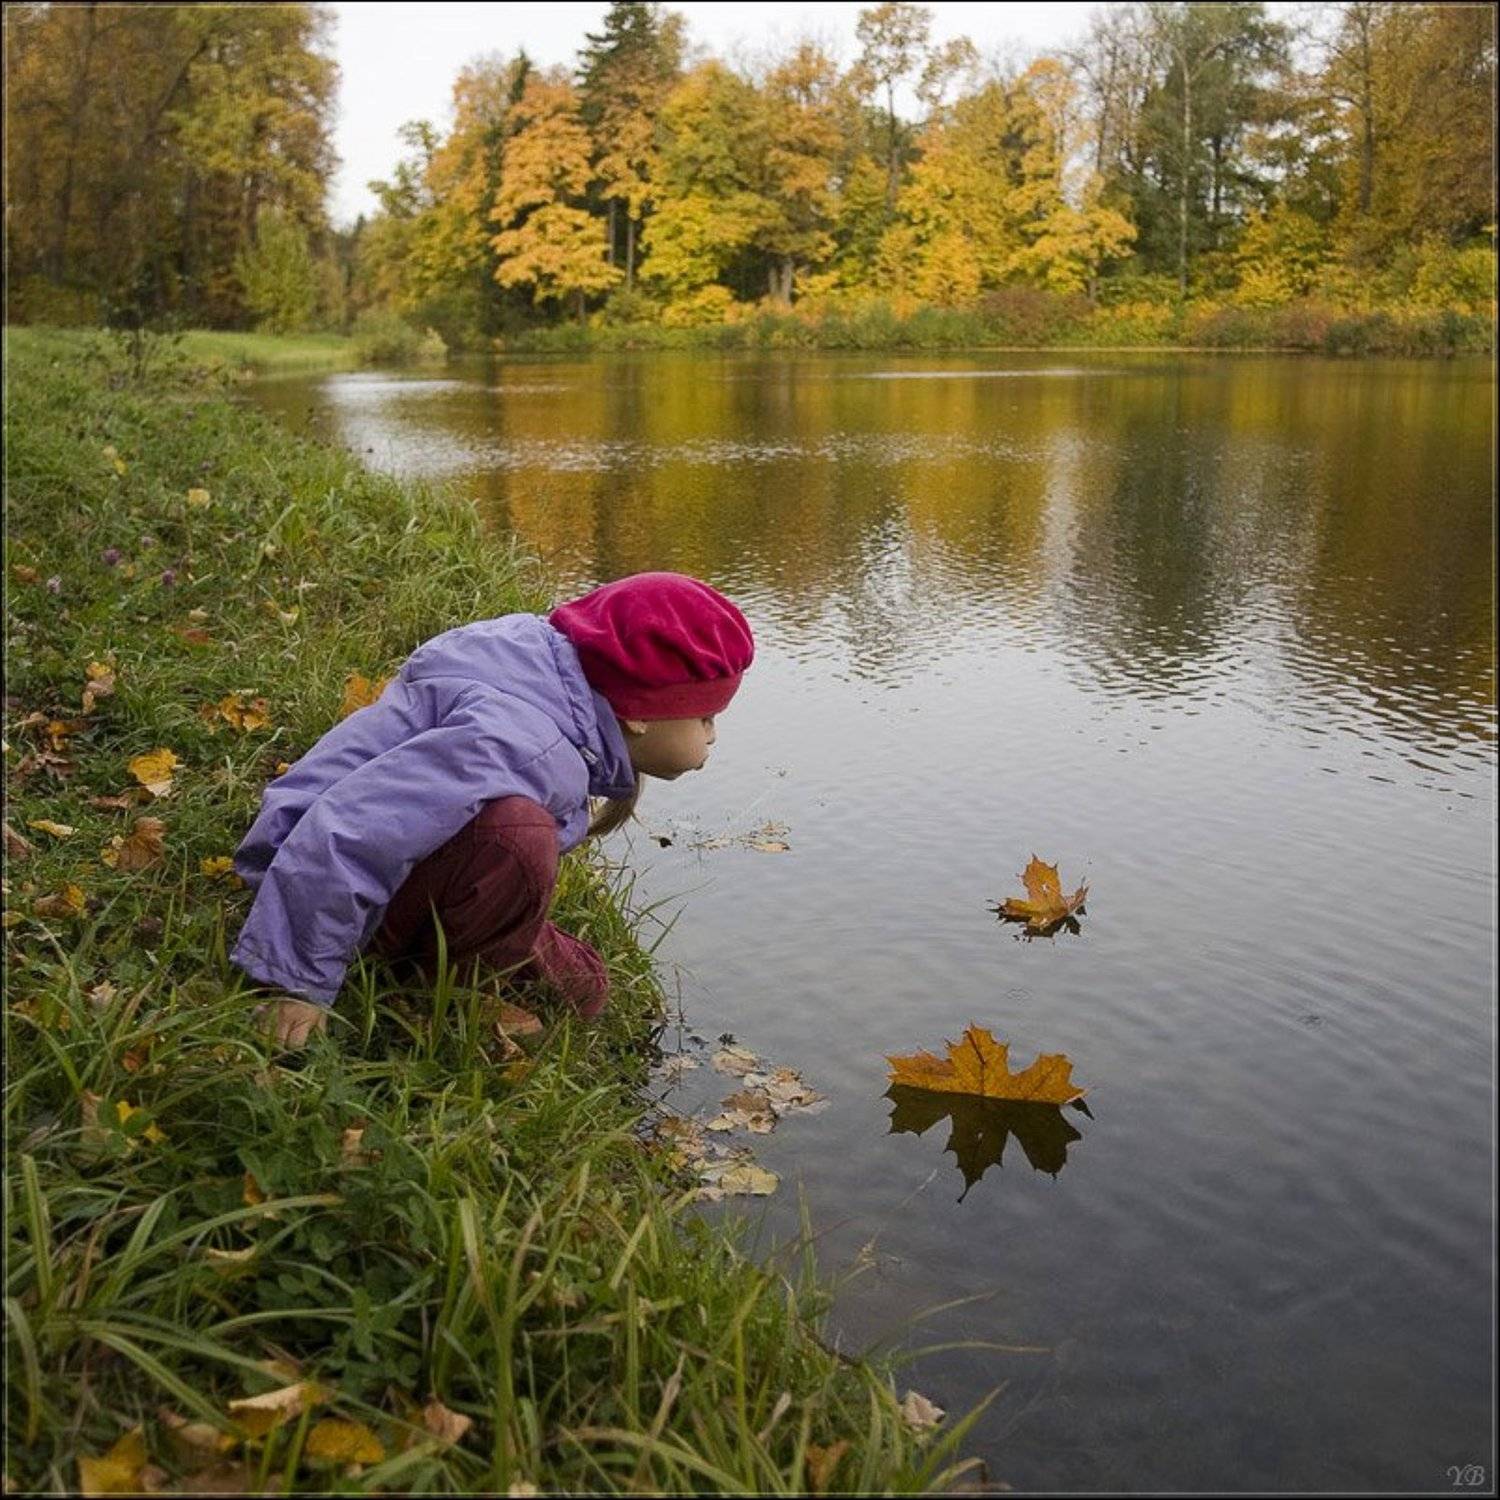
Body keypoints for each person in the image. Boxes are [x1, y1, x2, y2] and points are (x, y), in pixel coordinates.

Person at [231, 571, 754, 1047]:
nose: (712, 736)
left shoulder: (541, 672)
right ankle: (441, 994)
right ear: (639, 715)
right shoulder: (523, 743)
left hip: (336, 867)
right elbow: (353, 830)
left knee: (587, 984)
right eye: (706, 716)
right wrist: (294, 984)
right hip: (314, 879)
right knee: (519, 840)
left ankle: (484, 952)